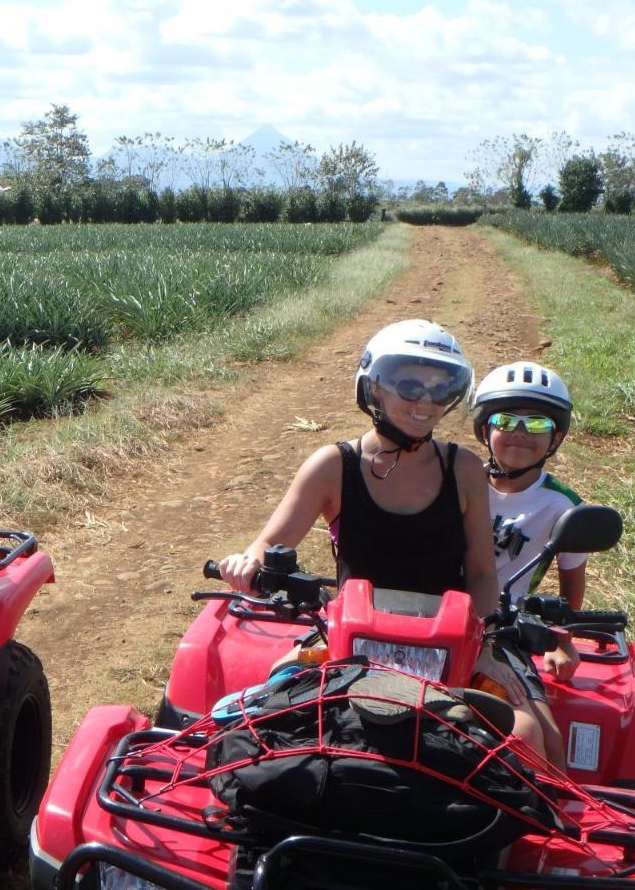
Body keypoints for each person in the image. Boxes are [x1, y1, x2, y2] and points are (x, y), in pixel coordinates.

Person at [217, 319, 550, 757]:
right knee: (267, 714)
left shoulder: (464, 468)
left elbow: (483, 571)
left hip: (450, 644)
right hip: (347, 639)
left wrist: (483, 646)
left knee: (529, 736)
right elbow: (271, 543)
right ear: (374, 388)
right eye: (409, 385)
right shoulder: (333, 465)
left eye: (441, 388)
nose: (425, 402)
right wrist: (248, 563)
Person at [471, 360, 586, 772]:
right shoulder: (458, 480)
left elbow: (572, 579)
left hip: (502, 626)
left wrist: (563, 641)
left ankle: (541, 827)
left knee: (547, 742)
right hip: (436, 610)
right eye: (506, 420)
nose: (520, 433)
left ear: (556, 436)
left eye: (536, 424)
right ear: (486, 430)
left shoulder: (561, 505)